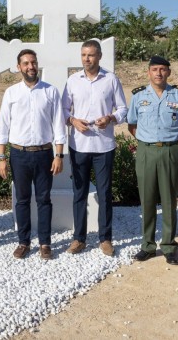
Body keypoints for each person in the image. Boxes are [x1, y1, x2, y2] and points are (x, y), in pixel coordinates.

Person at [0, 49, 66, 260]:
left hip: (44, 153)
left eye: (33, 62)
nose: (30, 66)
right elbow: (4, 125)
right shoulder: (11, 92)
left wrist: (59, 155)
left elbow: (59, 125)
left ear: (37, 64)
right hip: (19, 155)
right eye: (25, 63)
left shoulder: (50, 91)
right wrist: (1, 158)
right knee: (22, 200)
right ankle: (23, 242)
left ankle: (45, 243)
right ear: (19, 67)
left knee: (44, 200)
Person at [61, 40, 127, 256]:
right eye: (83, 55)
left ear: (99, 56)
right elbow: (62, 110)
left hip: (103, 146)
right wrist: (72, 121)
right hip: (78, 145)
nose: (86, 59)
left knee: (104, 192)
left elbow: (123, 109)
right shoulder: (72, 81)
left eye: (90, 55)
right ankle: (79, 238)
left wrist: (110, 117)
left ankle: (105, 238)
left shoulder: (110, 79)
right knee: (79, 192)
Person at [127, 56, 178, 265]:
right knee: (146, 199)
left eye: (163, 69)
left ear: (168, 73)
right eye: (154, 69)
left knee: (169, 199)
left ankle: (169, 245)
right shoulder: (139, 96)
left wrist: (167, 141)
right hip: (146, 151)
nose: (158, 73)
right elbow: (132, 125)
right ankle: (147, 245)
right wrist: (147, 141)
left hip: (170, 151)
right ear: (148, 72)